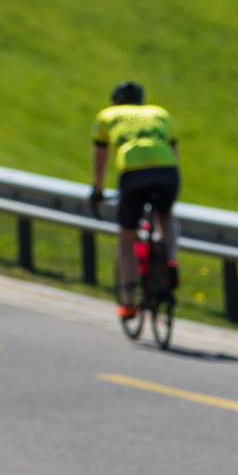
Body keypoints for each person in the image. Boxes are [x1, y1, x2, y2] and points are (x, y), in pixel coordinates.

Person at [90, 81, 178, 318]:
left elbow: (101, 158)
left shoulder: (108, 115)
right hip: (168, 172)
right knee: (165, 215)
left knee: (127, 237)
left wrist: (97, 191)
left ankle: (128, 302)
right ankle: (171, 261)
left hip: (133, 174)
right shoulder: (159, 113)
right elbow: (174, 151)